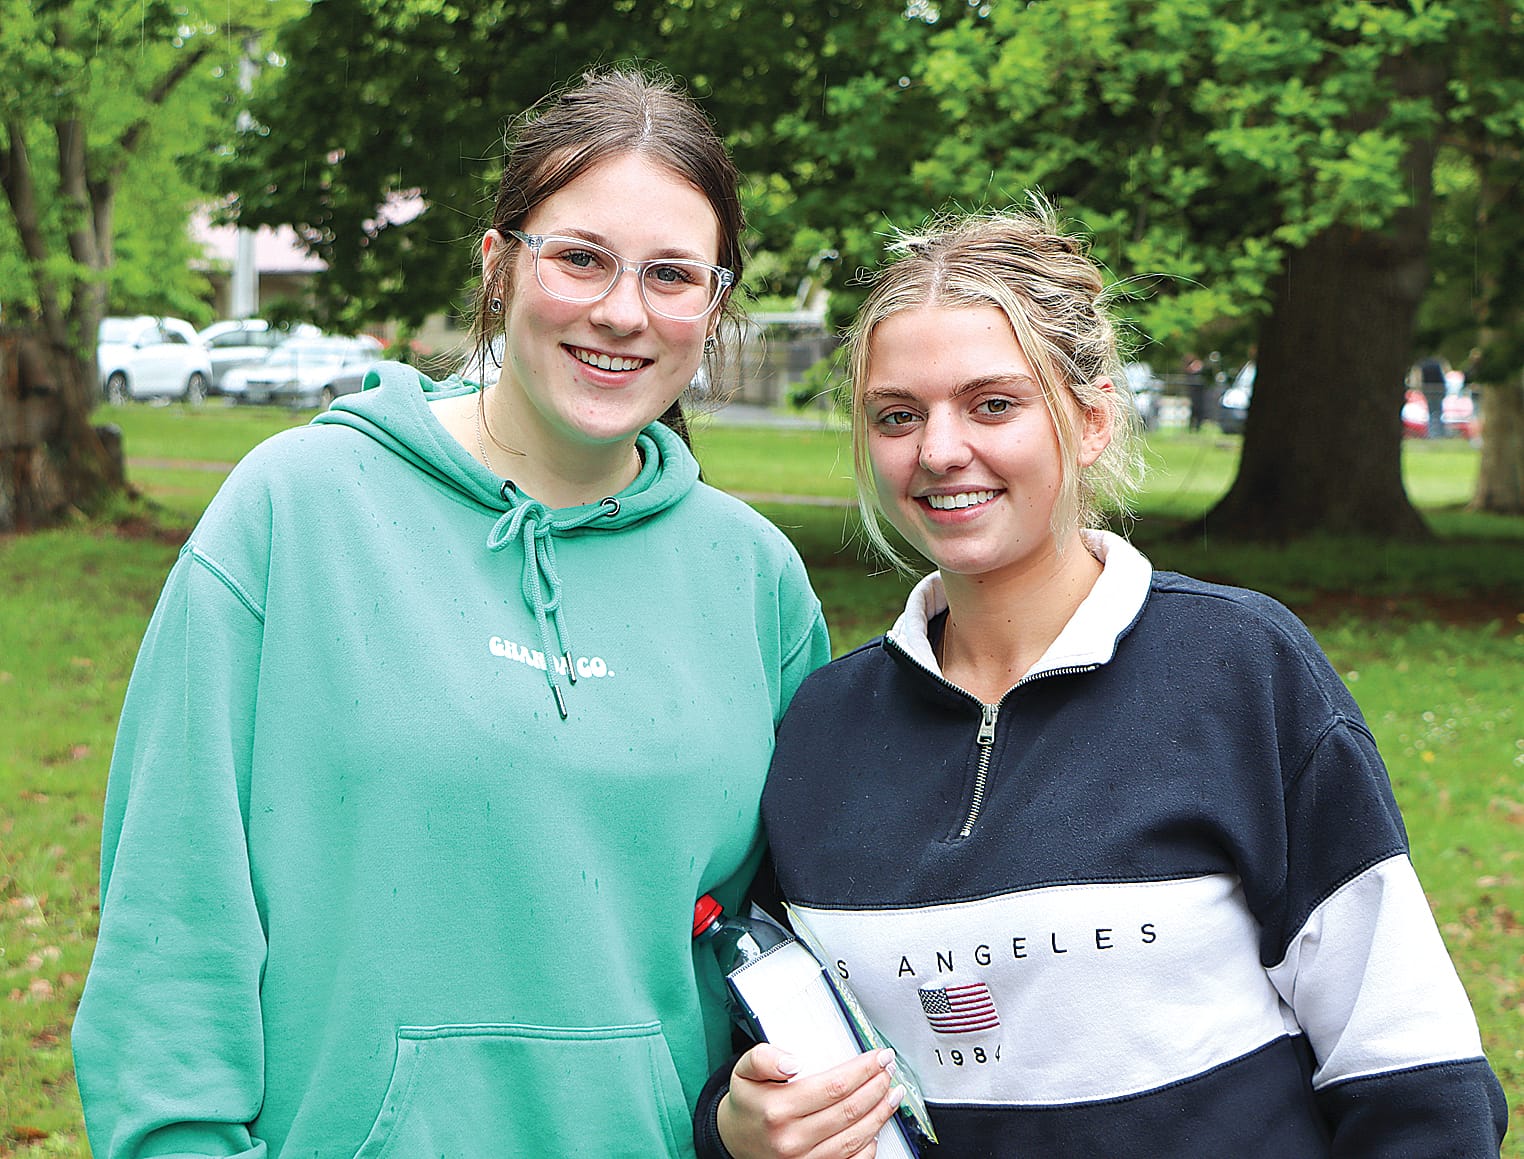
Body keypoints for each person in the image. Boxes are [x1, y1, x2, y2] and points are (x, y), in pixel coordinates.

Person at [72, 66, 830, 1158]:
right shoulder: (296, 512)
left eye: (672, 274)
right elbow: (171, 921)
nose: (622, 310)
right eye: (580, 257)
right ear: (497, 266)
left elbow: (794, 957)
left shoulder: (756, 582)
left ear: (712, 307)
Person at [695, 206, 1507, 1158]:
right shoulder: (824, 728)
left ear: (1089, 419)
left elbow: (1411, 1070)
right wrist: (737, 1126)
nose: (940, 449)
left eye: (993, 403)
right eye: (898, 414)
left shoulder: (1240, 670)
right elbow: (779, 1041)